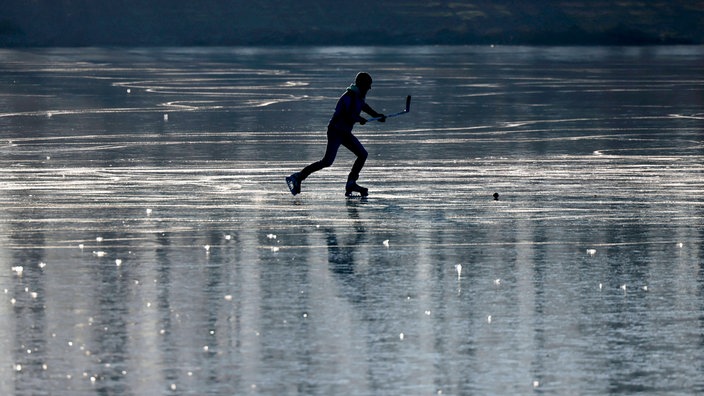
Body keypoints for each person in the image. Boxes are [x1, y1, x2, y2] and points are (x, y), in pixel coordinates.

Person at [286, 72, 385, 197]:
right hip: (335, 132)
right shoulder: (348, 96)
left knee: (362, 154)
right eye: (368, 86)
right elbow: (348, 114)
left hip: (345, 133)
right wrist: (359, 119)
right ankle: (298, 177)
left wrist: (377, 115)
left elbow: (364, 107)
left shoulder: (359, 96)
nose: (369, 89)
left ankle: (351, 182)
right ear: (362, 85)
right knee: (327, 161)